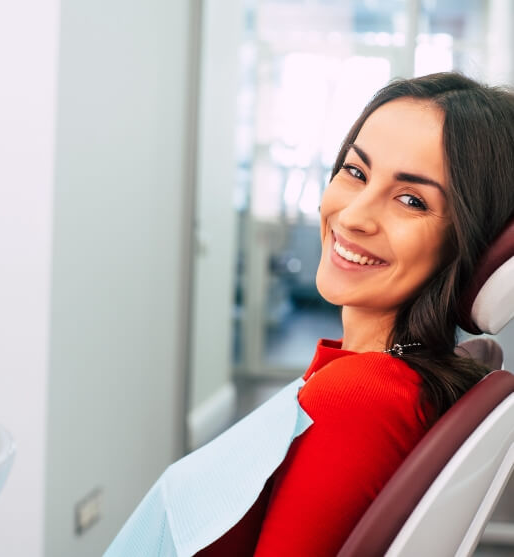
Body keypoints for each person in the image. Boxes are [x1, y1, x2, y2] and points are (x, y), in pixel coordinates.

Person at [104, 72, 514, 556]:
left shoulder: (360, 398)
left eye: (411, 200)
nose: (354, 215)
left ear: (472, 240)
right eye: (355, 172)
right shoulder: (389, 377)